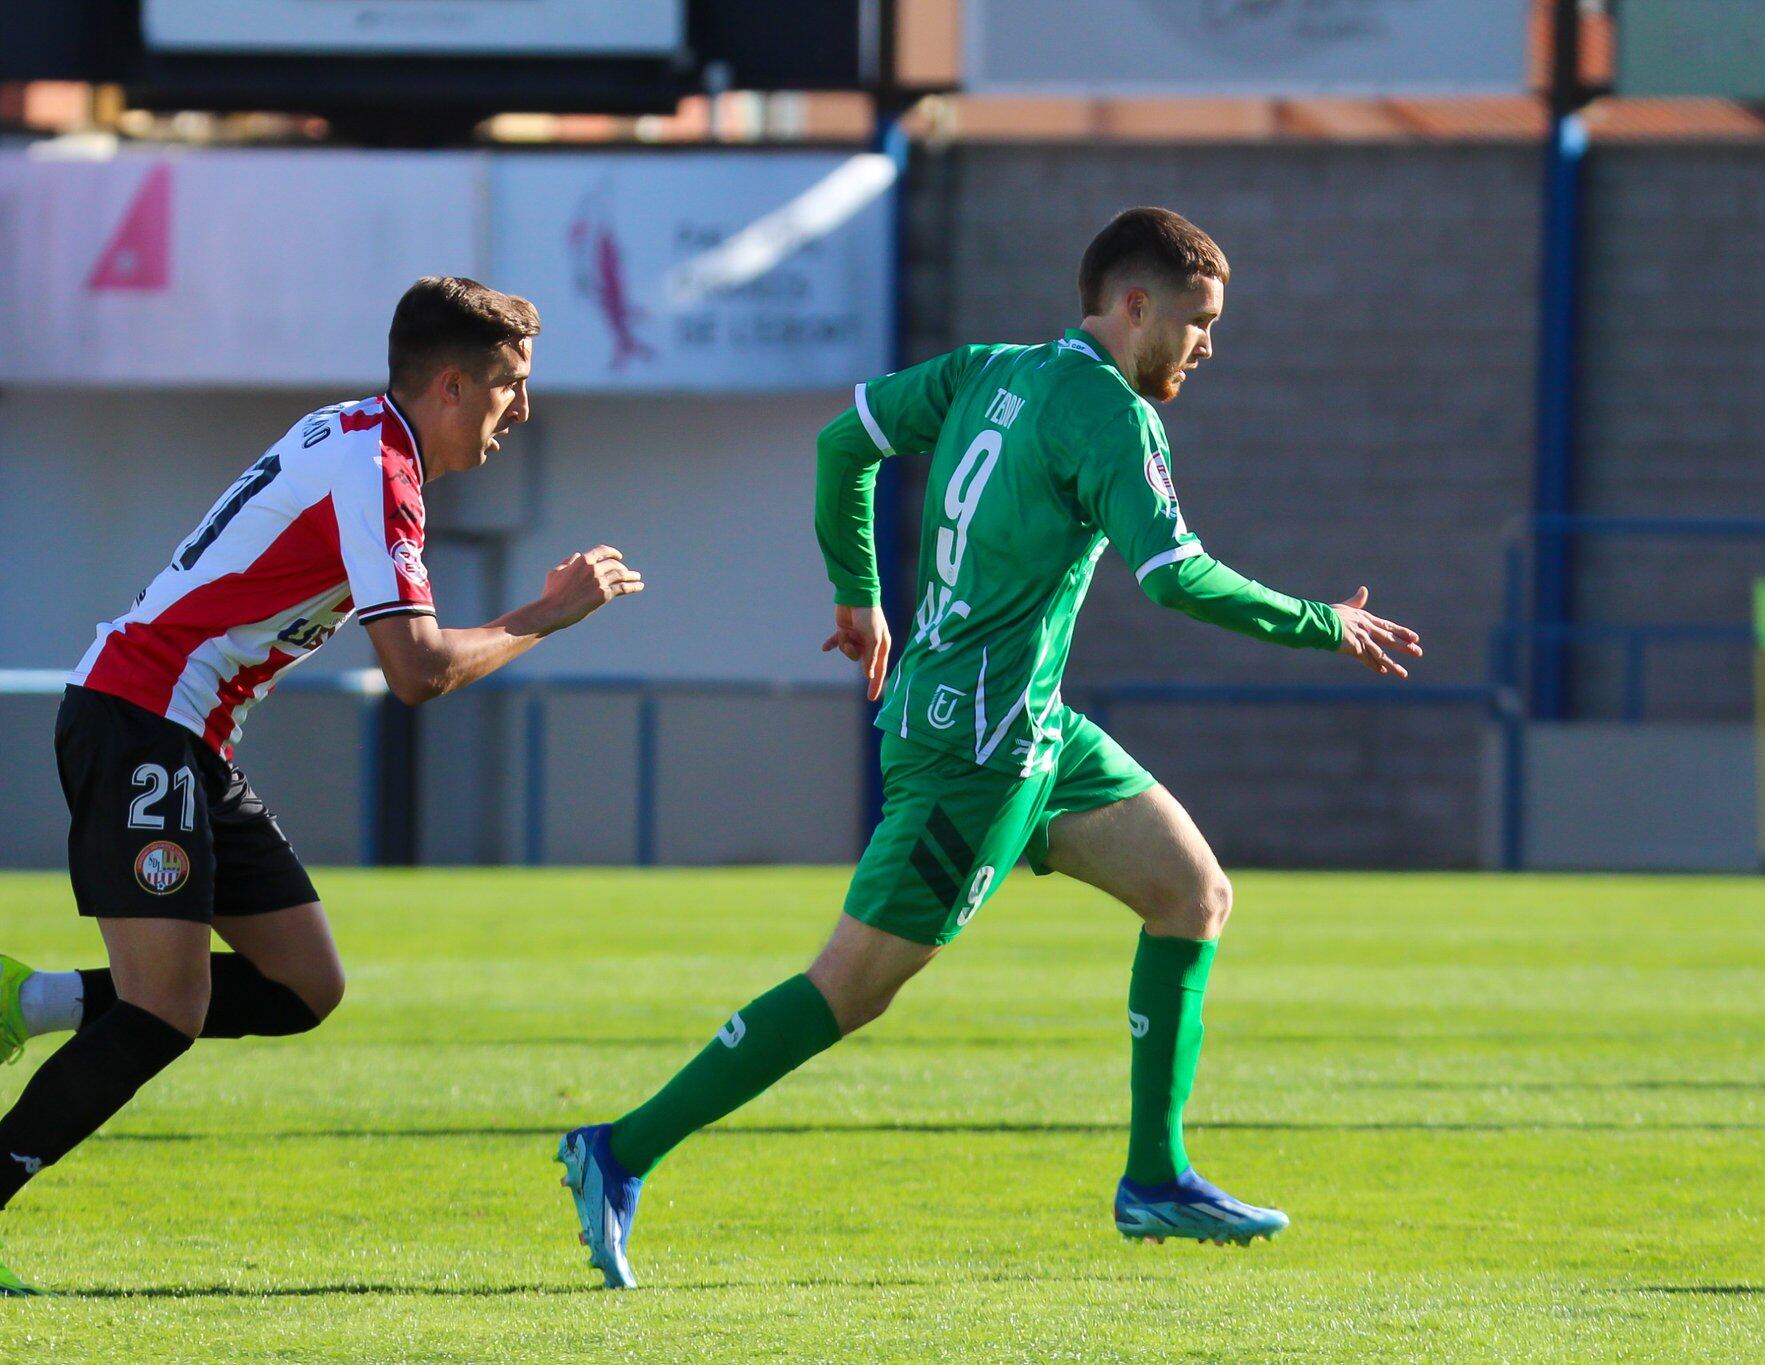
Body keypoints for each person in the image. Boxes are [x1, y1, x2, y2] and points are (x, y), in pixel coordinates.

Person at [556, 207, 1422, 1290]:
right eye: (1196, 322)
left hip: (1031, 724)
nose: (1206, 346)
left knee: (1192, 896)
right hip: (976, 750)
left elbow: (844, 445)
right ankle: (617, 1150)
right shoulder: (1109, 416)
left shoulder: (991, 370)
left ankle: (1154, 1177)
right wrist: (1321, 622)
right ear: (1133, 305)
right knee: (850, 988)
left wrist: (857, 594)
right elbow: (1173, 575)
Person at [0, 276, 643, 1294]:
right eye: (508, 386)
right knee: (163, 1008)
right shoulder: (376, 469)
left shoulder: (356, 438)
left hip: (186, 735)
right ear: (448, 384)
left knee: (307, 988)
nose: (520, 410)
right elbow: (419, 672)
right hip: (140, 719)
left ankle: (27, 998)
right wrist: (544, 614)